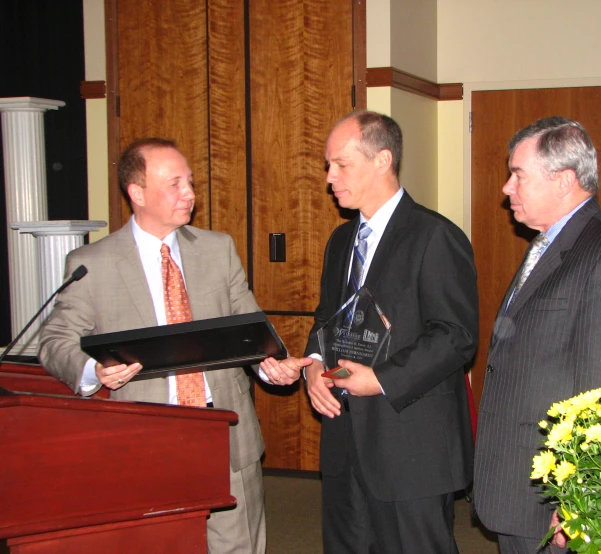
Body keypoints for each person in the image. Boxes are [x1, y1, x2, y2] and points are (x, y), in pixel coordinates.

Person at [38, 138, 298, 554]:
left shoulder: (218, 250)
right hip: (147, 434)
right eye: (175, 184)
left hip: (224, 429)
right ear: (136, 193)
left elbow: (251, 331)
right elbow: (54, 341)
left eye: (190, 182)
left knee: (237, 544)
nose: (190, 194)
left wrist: (271, 365)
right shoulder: (94, 263)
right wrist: (93, 371)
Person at [260, 111, 478, 553]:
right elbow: (327, 319)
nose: (329, 178)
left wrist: (380, 379)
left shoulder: (434, 236)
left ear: (382, 160)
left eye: (341, 164)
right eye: (328, 165)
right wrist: (314, 367)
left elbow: (455, 335)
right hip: (345, 439)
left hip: (410, 443)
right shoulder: (341, 241)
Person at [472, 117, 601, 553]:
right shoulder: (550, 242)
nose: (506, 188)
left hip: (552, 494)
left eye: (518, 175)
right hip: (518, 477)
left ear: (563, 181)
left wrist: (582, 499)